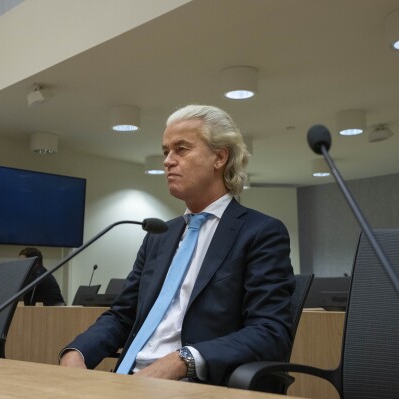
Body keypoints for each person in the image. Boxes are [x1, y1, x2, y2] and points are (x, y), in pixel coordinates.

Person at [60, 104, 295, 385]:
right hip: (129, 382)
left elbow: (270, 331)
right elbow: (123, 316)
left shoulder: (260, 232)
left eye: (181, 149)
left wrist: (183, 360)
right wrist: (77, 351)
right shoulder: (159, 235)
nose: (168, 161)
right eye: (165, 151)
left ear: (219, 157)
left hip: (196, 383)